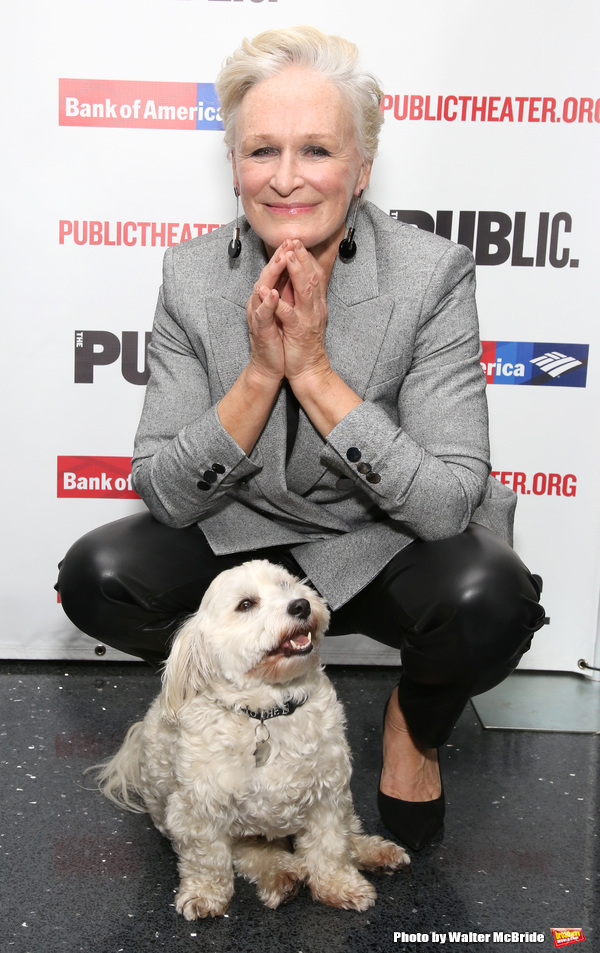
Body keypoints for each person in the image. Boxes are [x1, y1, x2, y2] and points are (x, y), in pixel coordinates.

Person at [56, 26, 545, 851]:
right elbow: (165, 491)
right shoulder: (192, 273)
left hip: (379, 533)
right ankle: (243, 713)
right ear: (234, 165)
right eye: (261, 151)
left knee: (491, 602)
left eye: (316, 150)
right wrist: (257, 375)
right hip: (241, 532)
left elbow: (447, 500)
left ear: (361, 167)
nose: (285, 178)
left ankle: (412, 727)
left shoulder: (432, 274)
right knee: (100, 578)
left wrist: (313, 369)